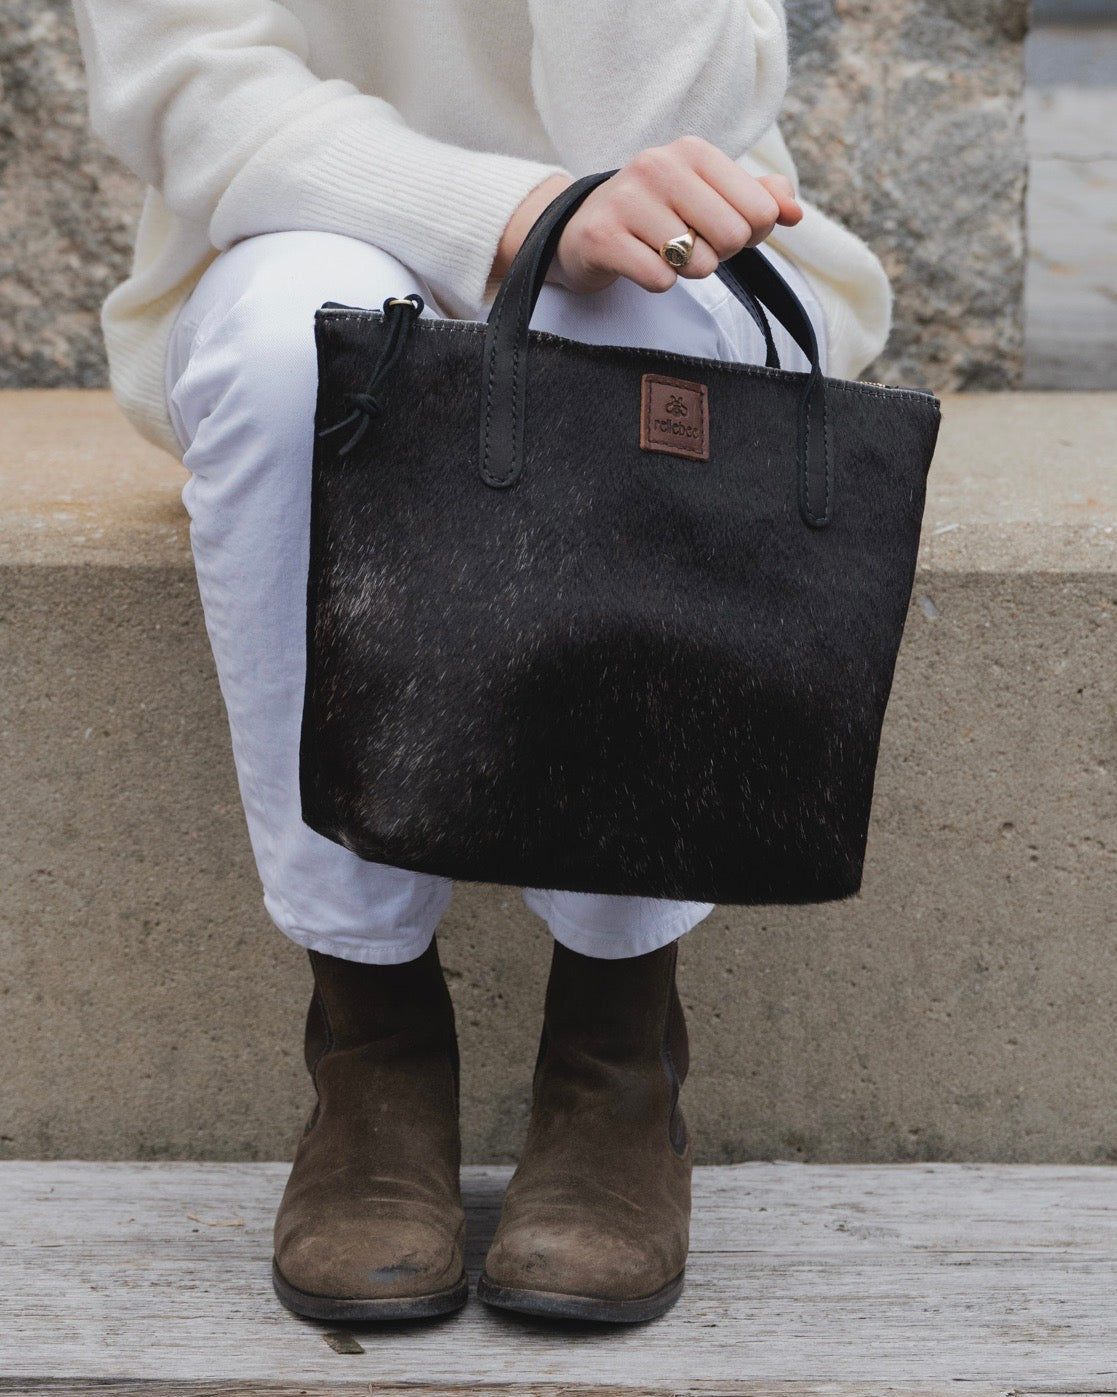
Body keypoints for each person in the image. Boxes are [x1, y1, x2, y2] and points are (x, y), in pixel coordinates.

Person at [72, 0, 892, 1325]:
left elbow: (661, 131)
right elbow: (192, 84)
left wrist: (581, 214)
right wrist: (511, 211)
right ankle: (370, 1041)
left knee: (646, 321)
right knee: (296, 351)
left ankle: (619, 1054)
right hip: (302, 219)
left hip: (655, 246)